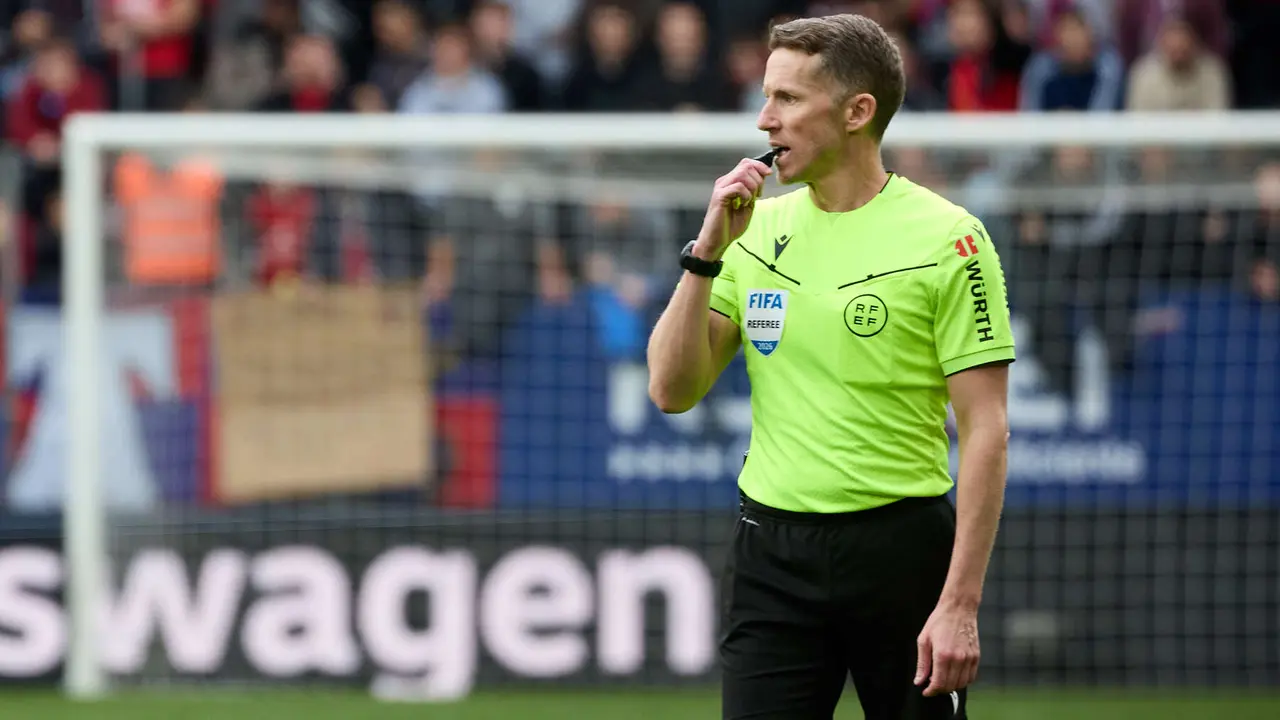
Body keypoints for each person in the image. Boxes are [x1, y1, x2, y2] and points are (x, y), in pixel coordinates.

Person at [646, 13, 1014, 720]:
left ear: (857, 111)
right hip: (770, 556)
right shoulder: (757, 231)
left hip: (901, 551)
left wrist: (960, 605)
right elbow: (670, 389)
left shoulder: (950, 240)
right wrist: (706, 252)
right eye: (765, 96)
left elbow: (987, 430)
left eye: (786, 99)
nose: (764, 119)